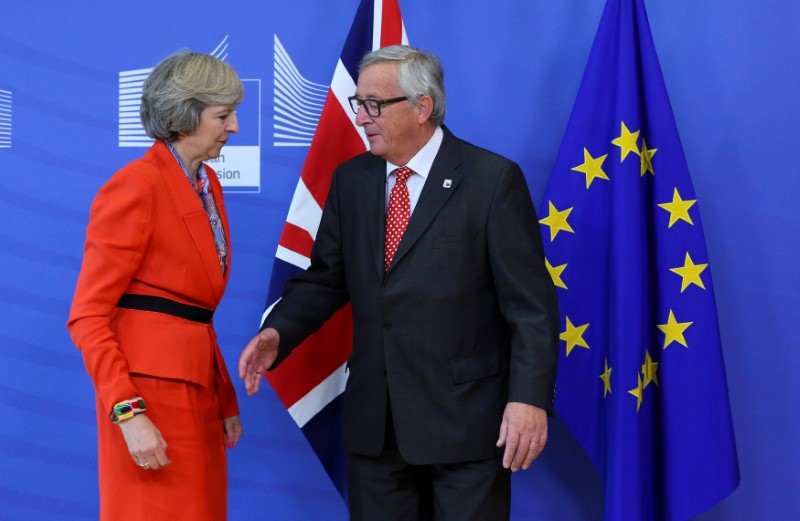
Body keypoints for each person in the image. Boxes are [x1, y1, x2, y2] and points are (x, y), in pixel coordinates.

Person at [239, 45, 559, 520]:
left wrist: (528, 399)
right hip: (377, 426)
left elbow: (531, 308)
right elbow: (327, 279)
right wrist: (278, 331)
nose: (362, 117)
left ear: (422, 106)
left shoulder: (491, 180)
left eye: (374, 104)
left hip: (466, 424)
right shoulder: (352, 179)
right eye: (358, 103)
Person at [67, 51, 243, 521]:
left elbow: (194, 310)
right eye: (223, 116)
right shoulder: (136, 186)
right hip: (148, 397)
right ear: (183, 117)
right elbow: (87, 316)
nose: (235, 128)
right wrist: (128, 412)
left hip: (198, 391)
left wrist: (223, 395)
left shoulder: (206, 185)